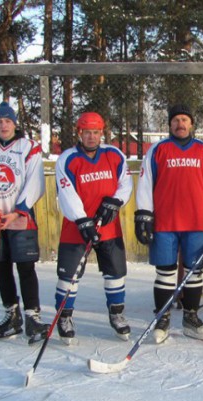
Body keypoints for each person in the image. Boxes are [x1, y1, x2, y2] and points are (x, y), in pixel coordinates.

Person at [134, 104, 203, 344]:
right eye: (176, 120)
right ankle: (162, 317)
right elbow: (145, 183)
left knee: (194, 272)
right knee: (165, 272)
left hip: (197, 221)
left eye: (185, 119)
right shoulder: (158, 150)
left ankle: (191, 316)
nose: (180, 124)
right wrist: (144, 213)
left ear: (192, 124)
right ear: (170, 125)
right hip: (165, 221)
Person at [0, 101, 47, 341]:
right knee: (0, 266)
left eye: (7, 121)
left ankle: (32, 316)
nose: (3, 125)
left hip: (19, 218)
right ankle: (11, 314)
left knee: (25, 266)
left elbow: (35, 181)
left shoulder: (28, 148)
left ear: (15, 123)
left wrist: (18, 210)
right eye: (0, 121)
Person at [53, 112, 133, 344]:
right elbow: (66, 191)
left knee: (116, 272)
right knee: (69, 275)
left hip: (108, 226)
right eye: (87, 132)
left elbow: (125, 183)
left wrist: (116, 201)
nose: (91, 137)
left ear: (102, 133)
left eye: (95, 132)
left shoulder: (114, 154)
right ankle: (64, 317)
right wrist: (82, 219)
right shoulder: (67, 159)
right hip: (76, 228)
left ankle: (116, 314)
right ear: (79, 133)